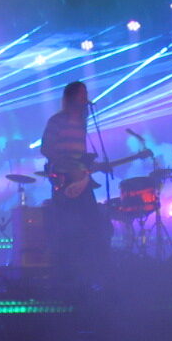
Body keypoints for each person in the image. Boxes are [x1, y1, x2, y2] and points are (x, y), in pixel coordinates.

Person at [40, 81, 109, 286]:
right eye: (81, 94)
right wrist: (67, 167)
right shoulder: (57, 121)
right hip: (64, 180)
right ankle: (64, 277)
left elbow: (80, 157)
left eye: (85, 94)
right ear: (71, 97)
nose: (85, 98)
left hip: (81, 180)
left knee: (92, 224)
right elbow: (46, 148)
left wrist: (90, 167)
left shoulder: (82, 123)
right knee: (66, 228)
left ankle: (90, 275)